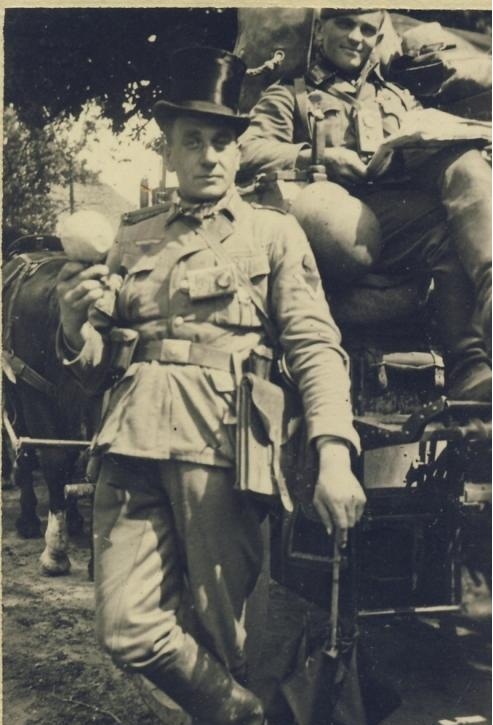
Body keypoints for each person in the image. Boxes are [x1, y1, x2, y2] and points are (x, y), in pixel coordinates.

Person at [56, 46, 365, 725]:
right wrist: (74, 324)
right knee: (126, 627)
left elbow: (315, 347)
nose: (208, 156)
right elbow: (94, 364)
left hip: (224, 451)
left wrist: (335, 453)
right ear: (168, 151)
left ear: (237, 149)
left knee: (230, 640)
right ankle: (241, 714)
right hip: (129, 445)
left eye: (221, 142)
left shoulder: (273, 233)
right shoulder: (132, 238)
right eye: (192, 141)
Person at [239, 9, 492, 401]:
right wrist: (316, 157)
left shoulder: (395, 95)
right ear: (320, 29)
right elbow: (246, 150)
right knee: (341, 225)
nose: (356, 37)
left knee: (455, 214)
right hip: (326, 230)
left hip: (390, 219)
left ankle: (469, 363)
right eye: (345, 24)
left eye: (367, 30)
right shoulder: (291, 93)